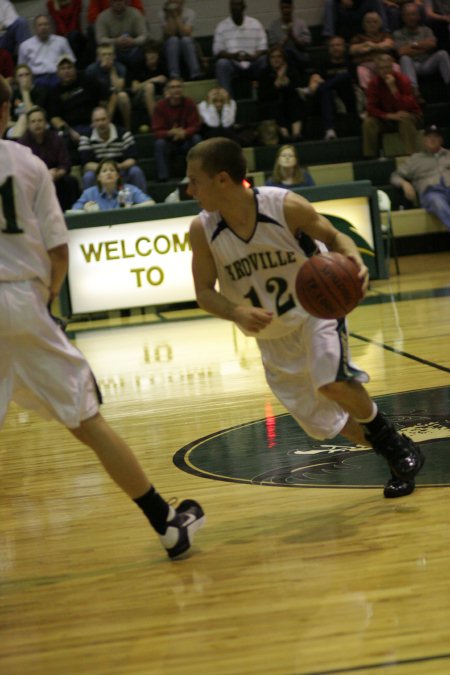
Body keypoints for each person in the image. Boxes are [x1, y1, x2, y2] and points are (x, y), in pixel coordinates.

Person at [0, 75, 204, 560]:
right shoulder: (26, 162)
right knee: (86, 420)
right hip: (20, 301)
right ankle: (165, 525)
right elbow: (57, 250)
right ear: (6, 108)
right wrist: (44, 304)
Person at [187, 137, 425, 499]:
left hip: (316, 310)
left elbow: (334, 236)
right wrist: (235, 311)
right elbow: (203, 291)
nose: (189, 190)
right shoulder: (202, 230)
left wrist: (355, 260)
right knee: (326, 424)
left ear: (222, 180)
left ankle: (395, 447)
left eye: (194, 181)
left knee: (331, 381)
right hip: (271, 335)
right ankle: (397, 450)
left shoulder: (284, 206)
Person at [18, 105, 80, 211]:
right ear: (28, 125)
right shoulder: (22, 143)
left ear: (46, 123)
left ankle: (69, 214)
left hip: (55, 178)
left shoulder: (56, 138)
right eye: (33, 121)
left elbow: (65, 164)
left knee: (71, 182)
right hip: (33, 180)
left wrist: (57, 173)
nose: (37, 123)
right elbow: (21, 168)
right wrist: (43, 175)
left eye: (40, 120)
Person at [390, 124, 450, 231]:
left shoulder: (448, 154)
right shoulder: (415, 159)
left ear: (441, 140)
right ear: (424, 140)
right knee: (437, 202)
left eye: (435, 137)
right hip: (432, 193)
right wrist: (404, 184)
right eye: (429, 137)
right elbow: (395, 176)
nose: (432, 139)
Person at [362, 52, 423, 157]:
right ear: (377, 69)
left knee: (404, 119)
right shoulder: (373, 83)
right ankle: (370, 156)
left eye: (388, 67)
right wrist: (389, 116)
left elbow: (407, 107)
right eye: (382, 68)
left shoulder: (403, 79)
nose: (386, 71)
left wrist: (393, 89)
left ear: (392, 67)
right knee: (368, 122)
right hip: (388, 118)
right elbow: (371, 108)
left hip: (410, 115)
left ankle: (412, 155)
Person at [300, 36, 358, 141]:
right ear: (328, 49)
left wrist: (324, 83)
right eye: (332, 46)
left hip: (347, 96)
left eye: (338, 45)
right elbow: (316, 77)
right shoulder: (323, 64)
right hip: (329, 99)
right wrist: (316, 80)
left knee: (344, 76)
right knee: (325, 91)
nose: (335, 48)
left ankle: (315, 89)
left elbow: (353, 83)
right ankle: (329, 130)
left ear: (344, 47)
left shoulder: (350, 63)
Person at [78, 106, 148, 191]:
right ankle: (89, 203)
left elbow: (132, 159)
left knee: (136, 171)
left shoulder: (123, 133)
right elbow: (87, 164)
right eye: (97, 120)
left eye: (103, 119)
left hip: (121, 171)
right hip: (99, 173)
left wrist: (118, 167)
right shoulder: (85, 137)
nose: (101, 123)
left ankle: (143, 201)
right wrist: (105, 170)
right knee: (88, 176)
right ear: (92, 123)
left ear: (109, 119)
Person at [393, 2, 450, 95]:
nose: (411, 18)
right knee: (404, 59)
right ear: (403, 18)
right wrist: (423, 46)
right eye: (408, 15)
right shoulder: (398, 34)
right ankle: (414, 91)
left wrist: (412, 46)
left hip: (427, 63)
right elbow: (401, 52)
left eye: (413, 14)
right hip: (412, 66)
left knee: (442, 54)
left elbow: (432, 44)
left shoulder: (426, 30)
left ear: (419, 16)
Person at [212, 0, 267, 95]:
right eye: (232, 5)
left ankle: (266, 96)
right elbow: (218, 51)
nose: (235, 8)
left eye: (237, 4)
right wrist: (233, 56)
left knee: (265, 60)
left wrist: (253, 57)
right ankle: (227, 104)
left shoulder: (255, 24)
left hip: (253, 62)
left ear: (244, 7)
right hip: (233, 64)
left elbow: (263, 47)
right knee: (221, 64)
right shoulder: (222, 26)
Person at [152, 78, 202, 182]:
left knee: (197, 139)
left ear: (183, 89)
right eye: (173, 87)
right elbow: (156, 131)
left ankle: (199, 172)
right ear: (168, 91)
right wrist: (171, 133)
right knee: (159, 144)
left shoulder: (189, 103)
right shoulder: (160, 106)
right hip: (169, 142)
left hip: (186, 140)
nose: (176, 90)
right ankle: (163, 178)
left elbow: (196, 125)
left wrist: (184, 132)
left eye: (179, 87)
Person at [257, 45, 305, 143]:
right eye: (273, 57)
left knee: (294, 98)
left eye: (279, 56)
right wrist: (278, 80)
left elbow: (297, 87)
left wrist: (287, 83)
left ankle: (296, 133)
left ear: (283, 58)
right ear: (269, 59)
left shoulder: (291, 70)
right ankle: (285, 134)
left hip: (289, 103)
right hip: (271, 104)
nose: (276, 59)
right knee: (275, 104)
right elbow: (264, 95)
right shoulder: (264, 73)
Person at [70, 158, 154, 211]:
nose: (109, 173)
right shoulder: (89, 193)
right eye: (104, 171)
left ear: (117, 176)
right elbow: (73, 211)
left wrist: (131, 208)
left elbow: (150, 203)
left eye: (112, 170)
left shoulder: (129, 190)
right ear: (98, 177)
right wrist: (85, 209)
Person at [18, 14, 75, 89]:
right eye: (40, 25)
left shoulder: (61, 41)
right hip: (37, 79)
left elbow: (72, 61)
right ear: (35, 28)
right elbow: (21, 68)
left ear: (50, 26)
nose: (43, 27)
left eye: (46, 24)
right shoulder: (25, 46)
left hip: (58, 76)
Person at [95, 0, 148, 79]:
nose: (118, 3)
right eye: (115, 1)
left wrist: (133, 41)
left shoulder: (135, 13)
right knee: (105, 57)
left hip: (132, 49)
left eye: (121, 0)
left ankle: (136, 82)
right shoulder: (102, 17)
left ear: (126, 1)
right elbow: (100, 39)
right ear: (110, 2)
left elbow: (144, 36)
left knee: (139, 54)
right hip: (113, 50)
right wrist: (115, 41)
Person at [84, 43, 131, 130]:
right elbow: (90, 92)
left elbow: (118, 89)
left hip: (115, 100)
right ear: (98, 57)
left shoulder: (120, 68)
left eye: (110, 54)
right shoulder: (91, 70)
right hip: (97, 100)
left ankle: (127, 128)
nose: (107, 57)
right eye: (104, 54)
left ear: (114, 56)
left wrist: (112, 70)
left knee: (122, 96)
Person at [349, 11, 399, 92]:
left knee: (395, 67)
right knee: (361, 70)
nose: (372, 24)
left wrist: (370, 45)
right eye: (368, 22)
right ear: (364, 24)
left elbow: (389, 45)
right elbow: (353, 50)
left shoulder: (385, 35)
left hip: (385, 65)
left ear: (380, 24)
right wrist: (380, 46)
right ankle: (370, 95)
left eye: (375, 22)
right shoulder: (358, 37)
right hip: (367, 66)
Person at [159, 0, 202, 80]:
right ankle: (174, 75)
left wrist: (176, 16)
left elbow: (185, 33)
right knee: (173, 40)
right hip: (169, 46)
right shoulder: (162, 14)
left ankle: (195, 74)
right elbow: (170, 33)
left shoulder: (190, 13)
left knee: (186, 40)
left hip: (187, 46)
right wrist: (170, 15)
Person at [130, 40, 168, 128]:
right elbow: (134, 88)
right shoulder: (139, 66)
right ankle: (156, 122)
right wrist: (152, 80)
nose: (152, 55)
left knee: (169, 90)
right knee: (149, 87)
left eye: (155, 53)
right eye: (149, 53)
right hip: (140, 97)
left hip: (159, 95)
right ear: (145, 55)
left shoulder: (162, 65)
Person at [267, 0, 311, 73]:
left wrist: (293, 37)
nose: (286, 10)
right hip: (280, 58)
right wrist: (286, 38)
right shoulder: (273, 26)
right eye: (283, 8)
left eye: (288, 7)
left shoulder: (301, 24)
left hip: (299, 56)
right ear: (280, 9)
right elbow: (273, 49)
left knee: (290, 51)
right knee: (286, 52)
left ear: (292, 8)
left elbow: (305, 45)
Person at [322, 0, 389, 40]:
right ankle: (329, 36)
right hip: (343, 10)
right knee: (329, 2)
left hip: (360, 7)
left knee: (376, 1)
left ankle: (385, 32)